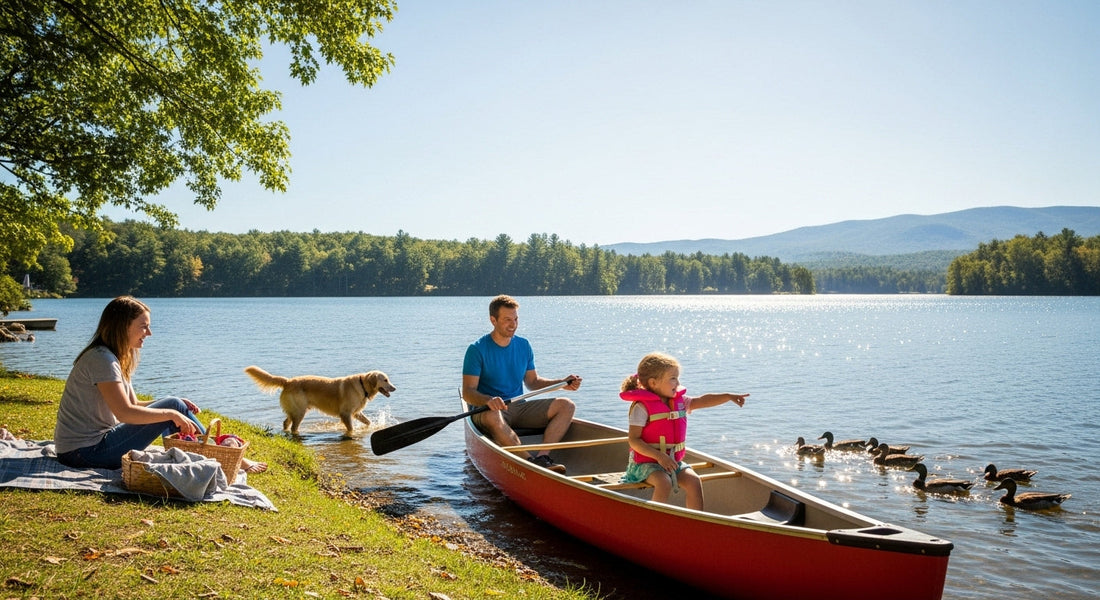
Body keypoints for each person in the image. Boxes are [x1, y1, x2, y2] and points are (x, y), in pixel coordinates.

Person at [54, 296, 267, 474]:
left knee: (174, 404)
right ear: (123, 327)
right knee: (172, 407)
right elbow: (125, 413)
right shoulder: (102, 360)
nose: (149, 333)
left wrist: (171, 407)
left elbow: (133, 403)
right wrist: (171, 412)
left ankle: (213, 454)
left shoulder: (113, 357)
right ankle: (222, 455)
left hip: (89, 448)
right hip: (83, 453)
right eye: (143, 327)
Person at [462, 294, 582, 474]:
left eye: (516, 319)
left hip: (518, 407)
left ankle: (542, 457)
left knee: (566, 406)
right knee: (493, 415)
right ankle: (529, 461)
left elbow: (533, 382)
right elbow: (468, 392)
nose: (513, 324)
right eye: (507, 320)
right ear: (493, 320)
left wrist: (561, 383)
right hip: (487, 411)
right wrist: (489, 400)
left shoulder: (524, 345)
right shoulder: (476, 349)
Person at [620, 352, 748, 510]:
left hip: (672, 461)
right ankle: (654, 523)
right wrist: (659, 457)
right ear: (653, 382)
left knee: (694, 481)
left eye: (677, 377)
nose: (677, 382)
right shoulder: (641, 407)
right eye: (672, 378)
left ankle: (697, 523)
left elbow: (702, 400)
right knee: (664, 482)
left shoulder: (679, 401)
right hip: (645, 463)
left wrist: (728, 396)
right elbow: (634, 440)